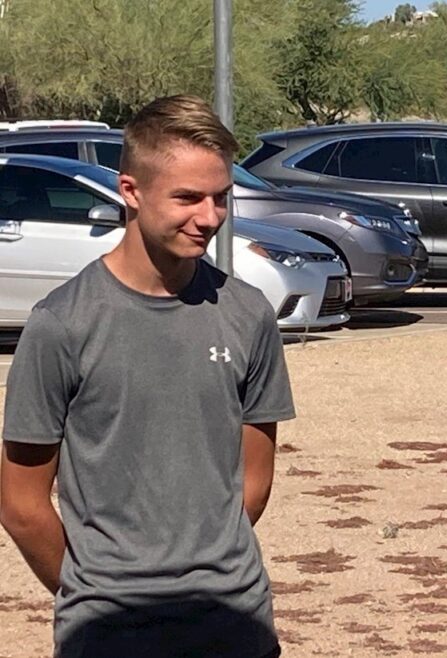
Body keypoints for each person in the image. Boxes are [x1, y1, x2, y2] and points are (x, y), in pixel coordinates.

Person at [0, 95, 294, 658]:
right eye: (187, 198)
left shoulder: (248, 313)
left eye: (220, 197)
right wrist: (95, 592)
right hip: (110, 634)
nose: (209, 217)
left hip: (235, 623)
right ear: (130, 191)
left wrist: (211, 567)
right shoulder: (62, 323)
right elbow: (21, 503)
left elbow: (254, 479)